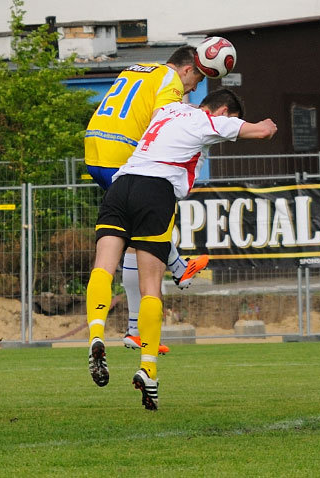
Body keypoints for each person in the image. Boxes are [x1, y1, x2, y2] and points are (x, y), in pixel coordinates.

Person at [86, 89, 277, 409]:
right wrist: (267, 125)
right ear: (225, 110)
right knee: (151, 288)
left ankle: (95, 334)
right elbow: (259, 130)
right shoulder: (210, 121)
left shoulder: (169, 110)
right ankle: (147, 369)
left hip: (121, 184)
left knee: (102, 267)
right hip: (154, 190)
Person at [84, 45, 210, 350]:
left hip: (95, 148)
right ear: (187, 69)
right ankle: (179, 267)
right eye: (194, 83)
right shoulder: (171, 80)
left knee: (132, 239)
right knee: (148, 222)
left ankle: (133, 331)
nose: (190, 90)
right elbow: (165, 120)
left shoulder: (139, 68)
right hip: (124, 153)